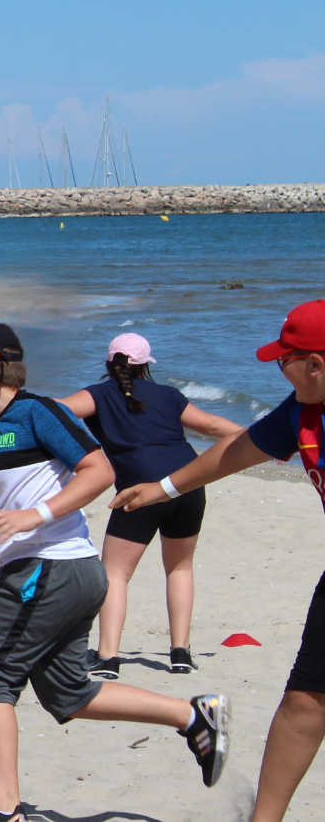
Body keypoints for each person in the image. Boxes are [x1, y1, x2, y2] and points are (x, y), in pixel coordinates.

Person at [0, 322, 227, 822]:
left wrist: (37, 515)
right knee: (70, 692)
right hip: (60, 576)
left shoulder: (39, 412)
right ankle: (192, 715)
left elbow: (100, 470)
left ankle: (5, 813)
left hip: (53, 567)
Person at [112, 300, 325, 822]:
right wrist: (162, 489)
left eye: (285, 361)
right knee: (305, 700)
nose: (281, 371)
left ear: (315, 363)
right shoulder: (302, 411)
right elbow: (237, 451)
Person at [56, 333, 242, 680]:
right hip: (187, 484)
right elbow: (215, 426)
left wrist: (10, 406)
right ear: (146, 366)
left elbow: (55, 410)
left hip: (140, 490)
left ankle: (108, 657)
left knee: (115, 574)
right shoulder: (170, 395)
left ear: (109, 363)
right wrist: (265, 440)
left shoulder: (98, 394)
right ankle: (181, 653)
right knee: (180, 568)